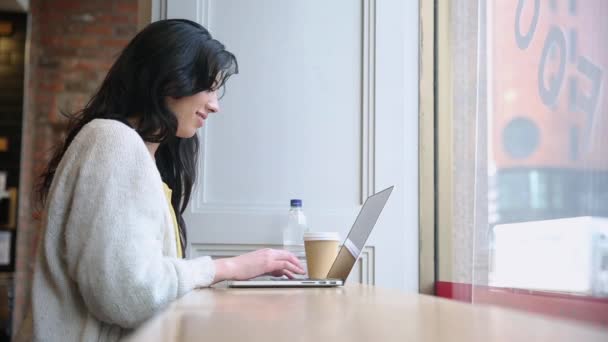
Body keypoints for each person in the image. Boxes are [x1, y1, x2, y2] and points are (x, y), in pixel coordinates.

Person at [16, 19, 305, 342]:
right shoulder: (113, 141)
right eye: (208, 86)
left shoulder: (142, 157)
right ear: (171, 78)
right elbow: (127, 295)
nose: (215, 105)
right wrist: (228, 268)